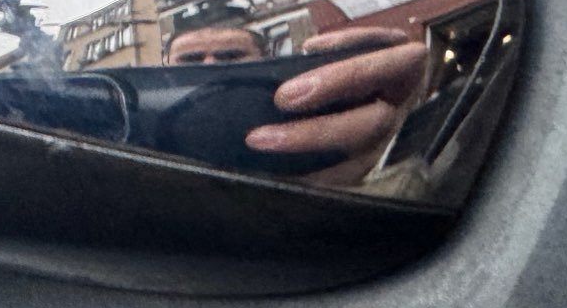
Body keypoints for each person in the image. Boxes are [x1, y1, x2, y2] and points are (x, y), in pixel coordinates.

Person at [165, 22, 428, 186]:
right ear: (164, 68)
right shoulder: (142, 133)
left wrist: (393, 139)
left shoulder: (312, 107)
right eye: (191, 59)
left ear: (267, 60)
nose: (209, 66)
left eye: (230, 56)